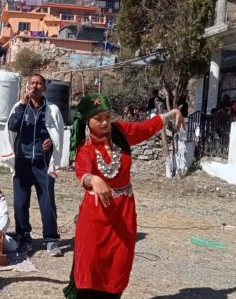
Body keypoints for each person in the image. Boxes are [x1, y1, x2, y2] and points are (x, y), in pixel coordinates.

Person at [64, 93, 184, 299]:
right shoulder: (86, 148)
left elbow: (145, 128)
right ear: (86, 121)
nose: (104, 123)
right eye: (98, 118)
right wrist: (93, 179)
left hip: (124, 214)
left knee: (118, 264)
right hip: (96, 217)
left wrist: (172, 113)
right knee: (91, 264)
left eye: (107, 117)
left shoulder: (120, 132)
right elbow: (81, 172)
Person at [2, 73, 64, 256]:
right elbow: (12, 126)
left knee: (47, 203)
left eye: (39, 84)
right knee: (20, 204)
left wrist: (51, 143)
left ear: (44, 88)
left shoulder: (52, 110)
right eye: (32, 83)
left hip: (42, 164)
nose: (35, 87)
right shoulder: (19, 107)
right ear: (27, 86)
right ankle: (24, 238)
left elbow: (58, 135)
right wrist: (22, 104)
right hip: (22, 163)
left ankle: (51, 240)